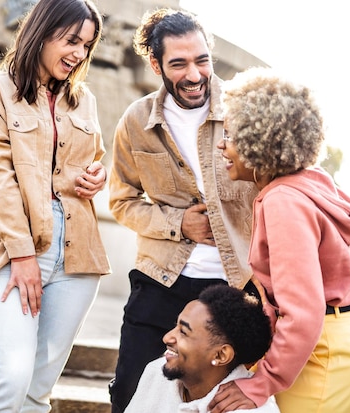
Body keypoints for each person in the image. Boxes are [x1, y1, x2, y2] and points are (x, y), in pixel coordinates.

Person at [107, 8, 258, 412]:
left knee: (224, 402)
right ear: (155, 63)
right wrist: (178, 224)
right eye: (178, 64)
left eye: (202, 60)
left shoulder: (246, 109)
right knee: (129, 393)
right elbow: (121, 201)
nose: (194, 75)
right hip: (161, 278)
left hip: (236, 287)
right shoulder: (136, 121)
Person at [0, 0, 111, 410]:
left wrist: (96, 175)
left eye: (87, 45)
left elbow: (92, 159)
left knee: (37, 391)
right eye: (70, 41)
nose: (78, 54)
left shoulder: (85, 101)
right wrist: (23, 253)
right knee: (10, 380)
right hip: (13, 249)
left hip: (78, 255)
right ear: (42, 31)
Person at [209, 67, 350, 413]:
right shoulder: (312, 183)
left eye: (230, 136)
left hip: (322, 358)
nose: (222, 146)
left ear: (261, 140)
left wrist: (261, 383)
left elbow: (302, 312)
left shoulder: (283, 201)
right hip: (348, 341)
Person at [125, 284, 278, 412]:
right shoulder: (156, 372)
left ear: (220, 355)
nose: (167, 338)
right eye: (175, 326)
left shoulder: (252, 411)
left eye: (183, 332)